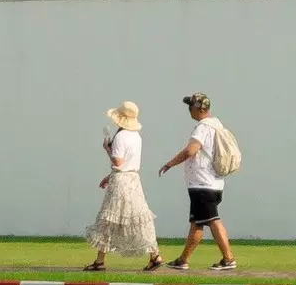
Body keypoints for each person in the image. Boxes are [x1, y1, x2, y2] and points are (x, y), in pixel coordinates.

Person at [157, 90, 236, 271]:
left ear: (199, 109)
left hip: (203, 183)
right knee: (198, 222)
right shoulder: (217, 124)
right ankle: (183, 259)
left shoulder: (203, 127)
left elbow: (190, 150)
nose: (189, 110)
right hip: (214, 182)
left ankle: (228, 259)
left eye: (190, 106)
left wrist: (169, 164)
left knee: (213, 220)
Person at [85, 101, 163, 273]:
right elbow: (128, 164)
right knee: (138, 218)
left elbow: (119, 162)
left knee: (109, 220)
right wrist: (109, 176)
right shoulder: (136, 136)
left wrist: (108, 149)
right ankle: (154, 254)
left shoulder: (120, 137)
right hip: (133, 180)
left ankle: (100, 261)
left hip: (121, 183)